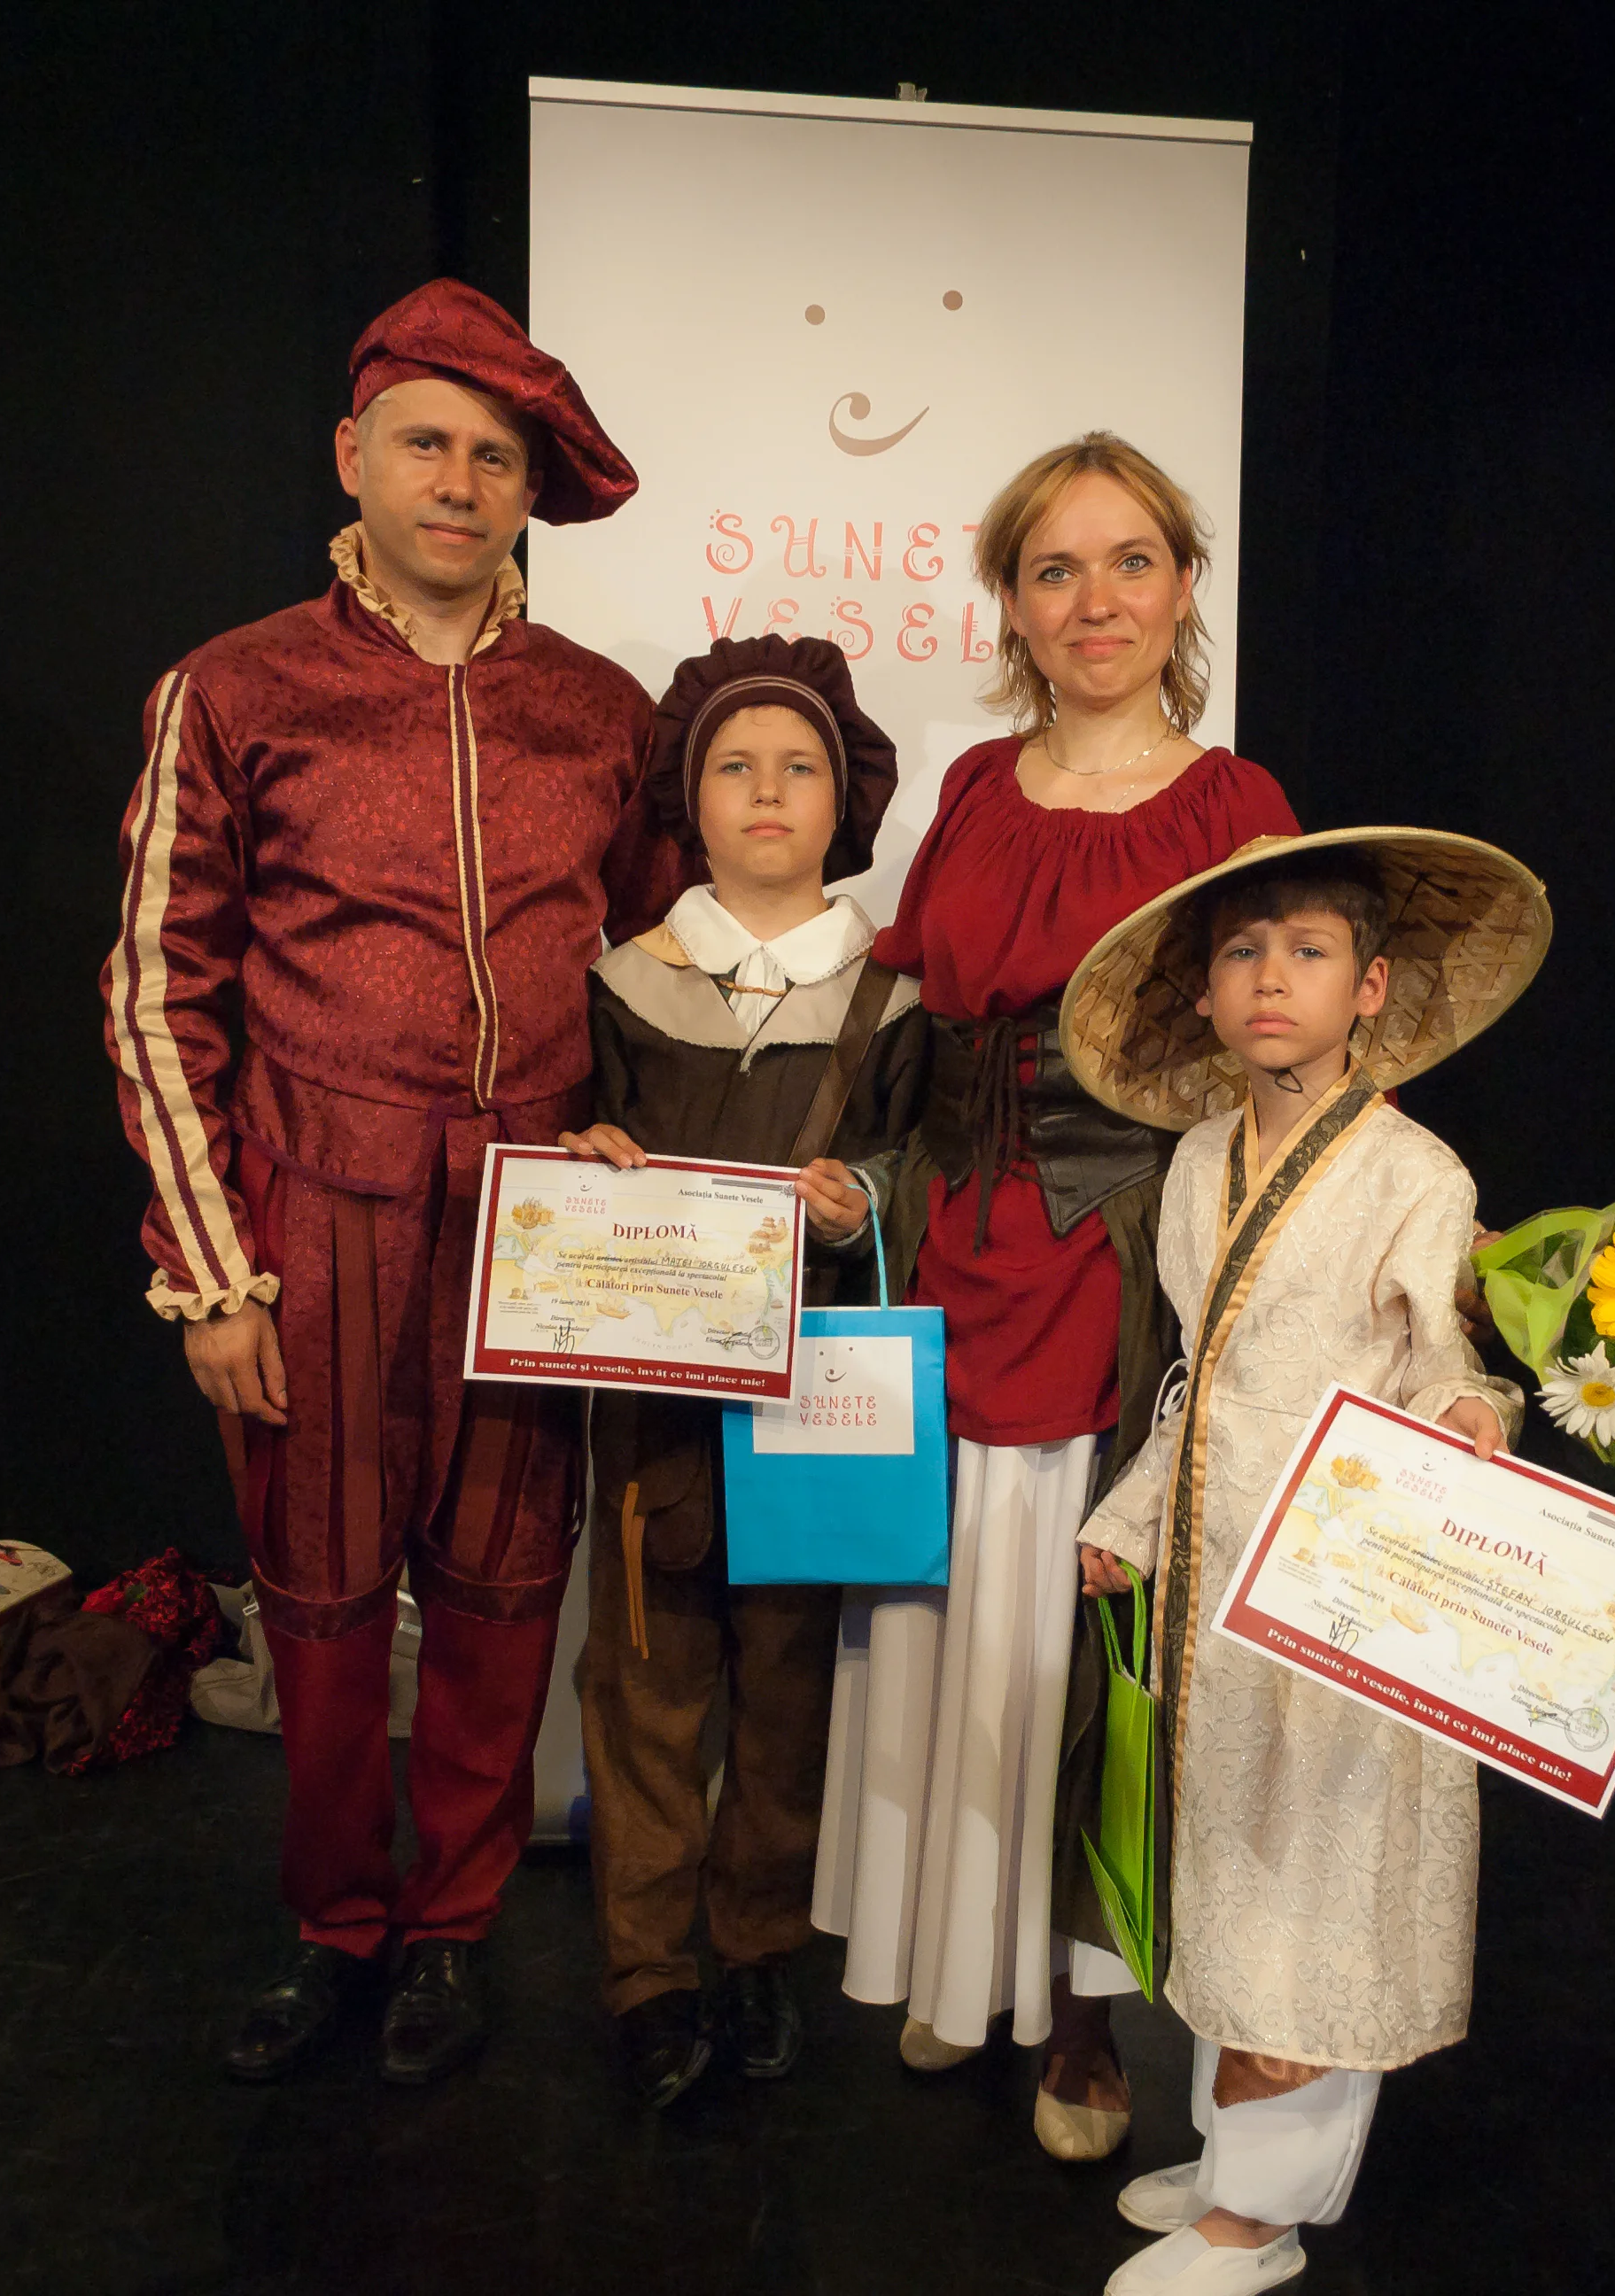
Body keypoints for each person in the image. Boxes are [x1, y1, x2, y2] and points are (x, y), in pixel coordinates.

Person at [102, 278, 685, 2085]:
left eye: (494, 457)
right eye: (427, 443)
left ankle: (450, 1932)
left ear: (528, 493)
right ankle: (335, 1923)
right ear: (352, 453)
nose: (458, 481)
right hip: (318, 1215)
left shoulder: (598, 711)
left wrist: (635, 1152)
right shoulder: (237, 686)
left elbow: (656, 959)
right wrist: (211, 1271)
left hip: (532, 1221)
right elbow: (156, 991)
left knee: (506, 1589)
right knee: (325, 1596)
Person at [811, 433, 1299, 2161]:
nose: (1095, 601)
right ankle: (954, 1958)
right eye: (1054, 569)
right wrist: (855, 1184)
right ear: (1010, 604)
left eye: (1129, 561)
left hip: (1121, 1267)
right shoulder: (967, 785)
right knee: (939, 1619)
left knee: (1072, 1634)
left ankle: (1081, 2018)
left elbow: (1280, 1057)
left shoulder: (1232, 808)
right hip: (951, 1240)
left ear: (1182, 585)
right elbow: (910, 1024)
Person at [1061, 828, 1544, 2292]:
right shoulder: (1195, 1161)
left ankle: (1259, 2222)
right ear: (1205, 994)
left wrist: (1468, 1411)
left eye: (1309, 950)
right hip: (1213, 1574)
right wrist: (1128, 1522)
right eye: (1240, 950)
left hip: (1340, 1571)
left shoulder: (1413, 1168)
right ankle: (1232, 2157)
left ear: (1368, 988)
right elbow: (1200, 1381)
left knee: (1314, 1883)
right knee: (1227, 1865)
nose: (1272, 976)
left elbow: (1442, 1350)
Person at [560, 634, 930, 2108]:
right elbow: (565, 1166)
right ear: (685, 799)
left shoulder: (894, 997)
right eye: (732, 766)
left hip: (810, 1403)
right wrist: (587, 1164)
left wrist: (864, 1200)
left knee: (787, 1687)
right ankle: (647, 1972)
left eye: (798, 767)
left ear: (846, 802)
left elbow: (924, 1164)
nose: (766, 791)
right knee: (643, 1685)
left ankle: (760, 1946)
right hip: (653, 1411)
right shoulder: (618, 985)